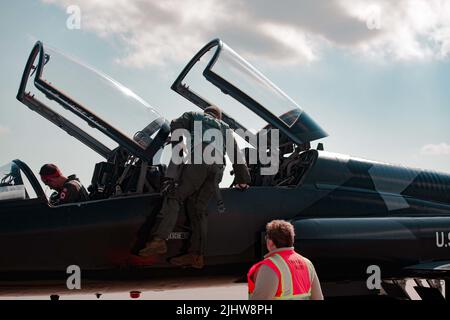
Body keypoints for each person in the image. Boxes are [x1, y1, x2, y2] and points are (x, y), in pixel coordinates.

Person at [139, 105, 250, 268]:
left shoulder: (193, 115)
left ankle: (159, 240)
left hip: (199, 161)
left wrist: (178, 146)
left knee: (175, 196)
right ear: (218, 117)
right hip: (218, 169)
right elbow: (236, 155)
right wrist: (243, 179)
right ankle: (196, 255)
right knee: (198, 208)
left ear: (206, 113)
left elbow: (175, 123)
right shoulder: (226, 128)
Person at [248, 220, 324, 300]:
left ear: (270, 242)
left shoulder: (270, 266)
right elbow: (318, 298)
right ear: (291, 240)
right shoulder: (307, 264)